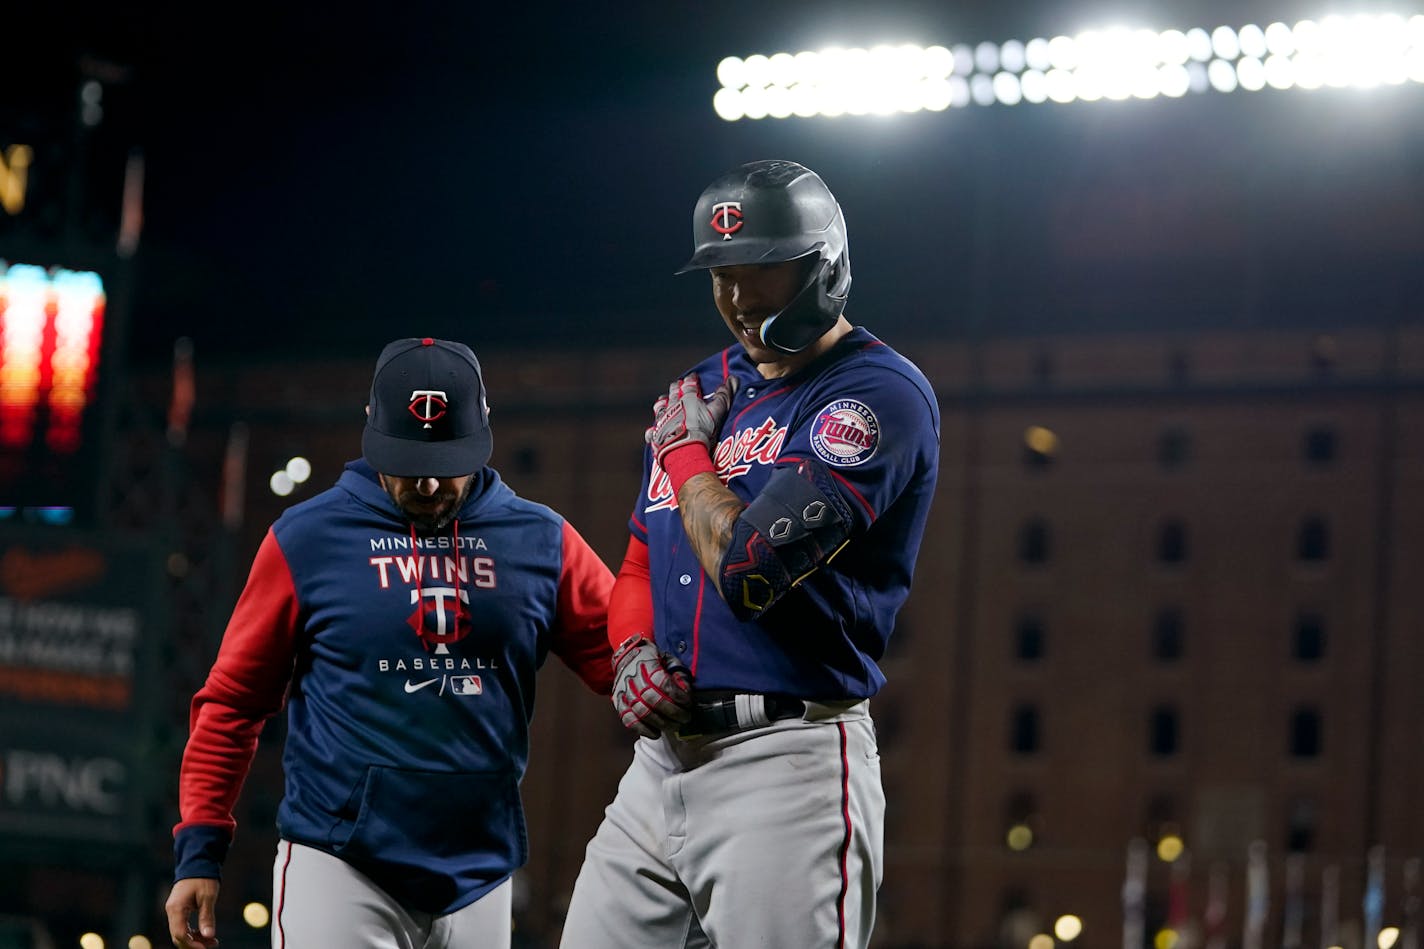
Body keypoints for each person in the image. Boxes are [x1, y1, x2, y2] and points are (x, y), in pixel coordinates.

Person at [561, 159, 940, 948]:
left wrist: (687, 458)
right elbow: (639, 557)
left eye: (762, 269)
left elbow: (751, 568)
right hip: (660, 767)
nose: (737, 297)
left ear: (823, 264)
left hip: (788, 762)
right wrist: (630, 649)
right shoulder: (702, 385)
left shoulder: (874, 395)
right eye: (721, 274)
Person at [164, 337, 616, 949]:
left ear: (482, 436)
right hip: (340, 864)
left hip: (480, 874)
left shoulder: (545, 542)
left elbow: (632, 668)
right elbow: (233, 703)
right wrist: (199, 848)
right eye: (406, 462)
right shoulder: (307, 539)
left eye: (445, 462)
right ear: (371, 433)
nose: (426, 485)